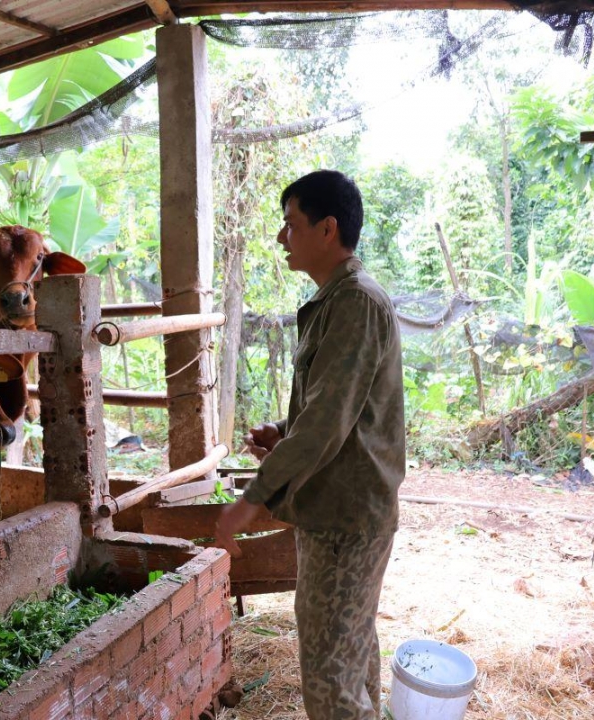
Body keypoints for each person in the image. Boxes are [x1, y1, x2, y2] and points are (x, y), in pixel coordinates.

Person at [214, 170, 405, 720]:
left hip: (345, 520)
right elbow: (337, 408)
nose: (282, 236)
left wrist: (252, 500)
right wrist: (285, 430)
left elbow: (324, 424)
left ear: (327, 229)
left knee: (330, 683)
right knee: (350, 658)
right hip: (342, 511)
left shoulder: (355, 303)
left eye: (291, 223)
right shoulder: (339, 300)